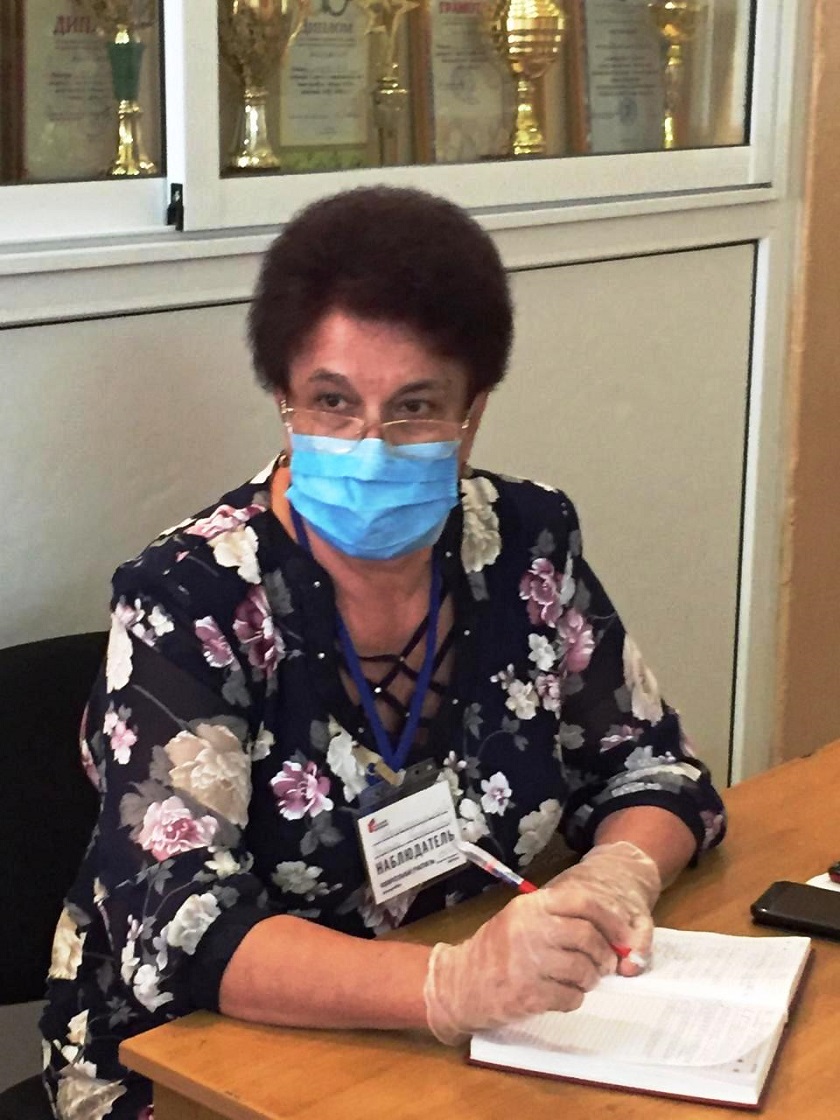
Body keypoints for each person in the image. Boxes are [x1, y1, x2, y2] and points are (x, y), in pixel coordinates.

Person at [41, 186, 726, 1119]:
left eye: (415, 407)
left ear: (472, 412)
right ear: (284, 399)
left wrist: (617, 878)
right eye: (333, 402)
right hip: (195, 1063)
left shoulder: (524, 543)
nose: (371, 444)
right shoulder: (190, 599)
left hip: (480, 1042)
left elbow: (653, 767)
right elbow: (176, 926)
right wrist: (449, 986)